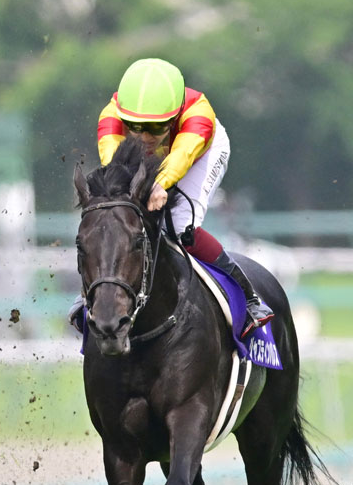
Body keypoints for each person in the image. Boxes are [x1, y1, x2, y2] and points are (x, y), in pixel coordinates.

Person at [71, 58, 273, 338]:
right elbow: (115, 169)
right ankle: (95, 296)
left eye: (156, 128)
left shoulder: (198, 116)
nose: (143, 137)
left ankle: (248, 295)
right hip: (162, 157)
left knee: (179, 226)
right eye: (134, 126)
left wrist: (159, 185)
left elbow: (180, 158)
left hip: (198, 153)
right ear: (122, 116)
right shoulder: (111, 116)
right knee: (116, 218)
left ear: (175, 116)